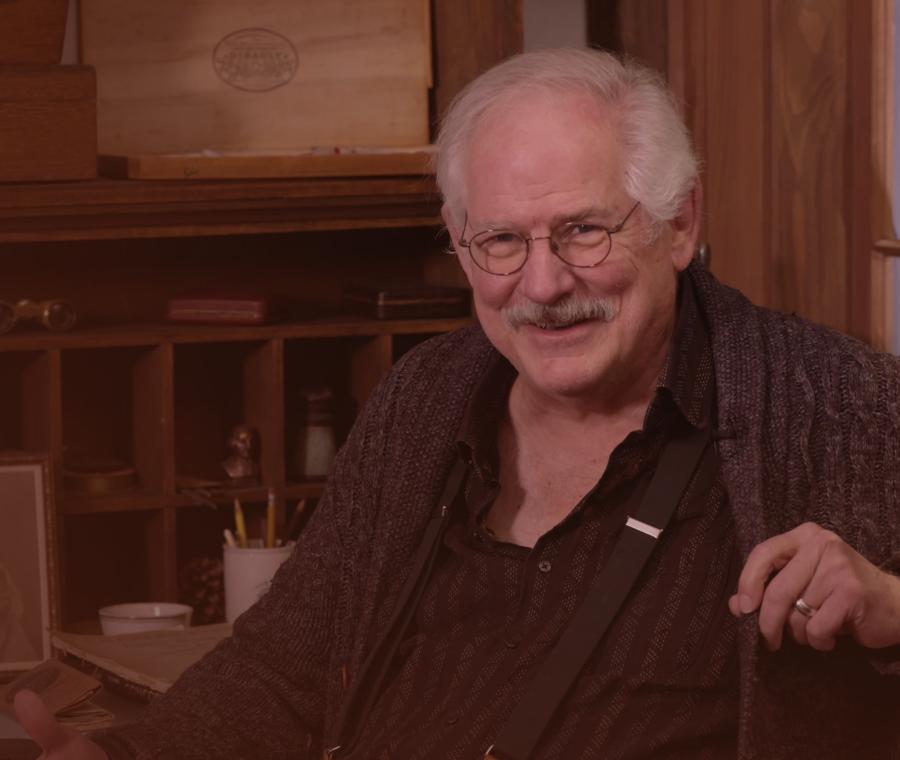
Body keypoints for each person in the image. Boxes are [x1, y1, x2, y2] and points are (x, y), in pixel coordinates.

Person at [14, 48, 900, 759]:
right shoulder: (424, 399)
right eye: (501, 241)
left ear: (681, 224)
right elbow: (288, 668)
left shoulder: (841, 405)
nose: (544, 285)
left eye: (584, 229)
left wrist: (892, 608)